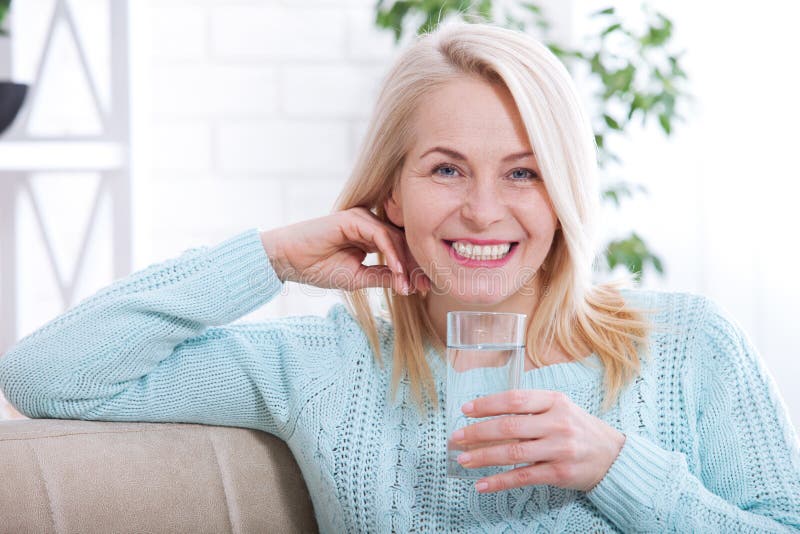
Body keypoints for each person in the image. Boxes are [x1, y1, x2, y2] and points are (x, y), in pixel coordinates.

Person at [1, 19, 799, 533]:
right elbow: (46, 376)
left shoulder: (688, 342)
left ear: (565, 194)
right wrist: (272, 256)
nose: (484, 211)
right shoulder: (324, 365)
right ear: (392, 190)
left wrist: (616, 467)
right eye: (447, 170)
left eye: (524, 174)